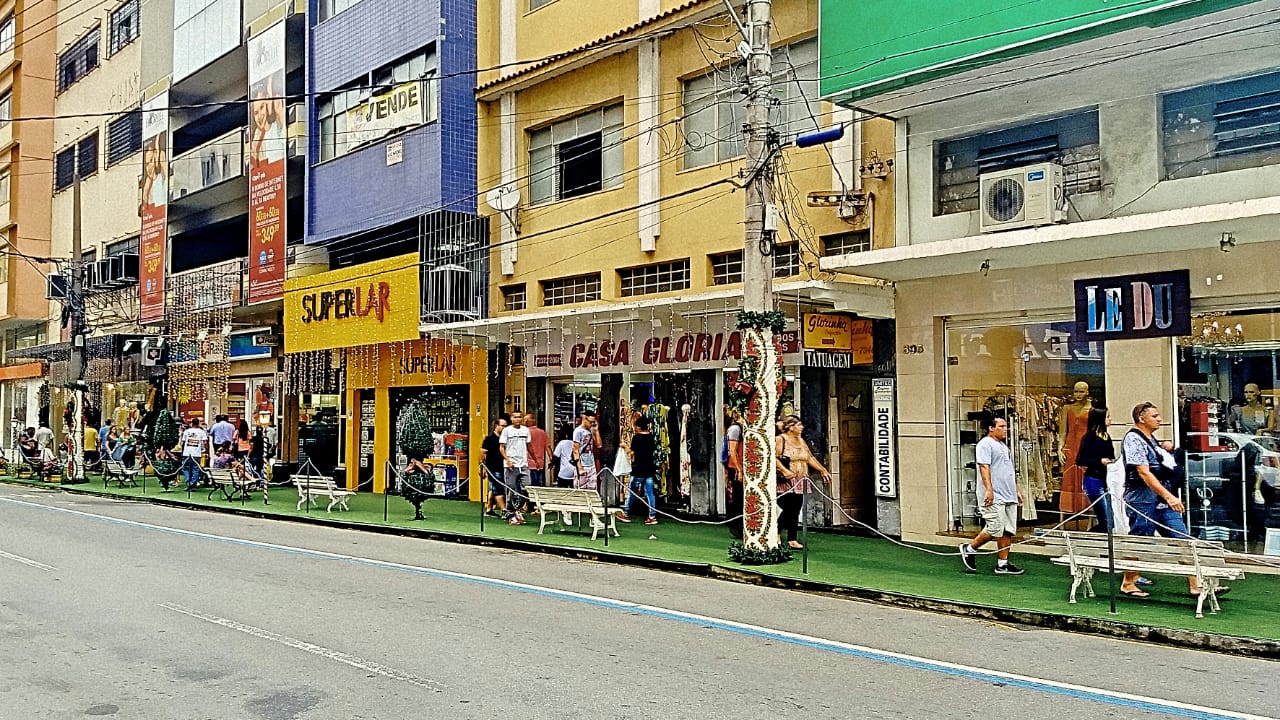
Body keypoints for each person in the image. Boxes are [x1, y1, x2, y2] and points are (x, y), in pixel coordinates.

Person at [1121, 402, 1223, 598]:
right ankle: (1128, 581)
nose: (1159, 419)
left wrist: (1166, 450)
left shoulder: (1151, 439)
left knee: (1182, 538)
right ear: (1142, 418)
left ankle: (1196, 584)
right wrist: (1169, 496)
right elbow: (1143, 472)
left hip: (1163, 499)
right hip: (1142, 499)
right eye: (1155, 416)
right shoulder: (1133, 439)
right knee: (1140, 539)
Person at [959, 416, 1025, 575]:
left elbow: (1008, 470)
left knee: (1008, 529)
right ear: (991, 428)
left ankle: (1002, 564)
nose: (1005, 429)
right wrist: (989, 489)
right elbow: (984, 467)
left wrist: (1016, 490)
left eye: (1005, 426)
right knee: (995, 527)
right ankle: (969, 548)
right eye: (1001, 426)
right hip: (995, 495)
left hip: (1008, 494)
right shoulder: (985, 444)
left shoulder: (1003, 446)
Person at [774, 415, 832, 551]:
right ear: (790, 427)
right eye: (798, 425)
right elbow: (774, 458)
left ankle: (792, 539)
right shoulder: (780, 439)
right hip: (787, 479)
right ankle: (776, 532)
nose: (801, 428)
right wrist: (784, 471)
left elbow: (809, 457)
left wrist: (822, 470)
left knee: (796, 508)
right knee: (787, 507)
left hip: (801, 477)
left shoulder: (801, 440)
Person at [1075, 407, 1116, 533]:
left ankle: (1098, 541)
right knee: (1106, 520)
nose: (1110, 420)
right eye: (1107, 417)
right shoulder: (1089, 437)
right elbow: (1080, 460)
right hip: (1093, 480)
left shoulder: (1106, 436)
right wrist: (1099, 461)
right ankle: (1089, 538)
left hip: (1106, 479)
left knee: (1109, 520)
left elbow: (1111, 455)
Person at [616, 416, 659, 525]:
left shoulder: (637, 438)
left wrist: (625, 446)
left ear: (639, 427)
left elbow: (631, 453)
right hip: (649, 468)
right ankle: (652, 516)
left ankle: (626, 513)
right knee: (650, 493)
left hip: (638, 469)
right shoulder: (651, 437)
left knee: (632, 492)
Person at [500, 412, 531, 524]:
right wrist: (507, 460)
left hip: (523, 464)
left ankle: (517, 509)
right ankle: (510, 514)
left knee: (527, 488)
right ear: (511, 419)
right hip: (511, 465)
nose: (518, 419)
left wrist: (535, 460)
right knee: (511, 489)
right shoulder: (507, 431)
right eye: (515, 417)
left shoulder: (526, 430)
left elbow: (529, 446)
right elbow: (502, 447)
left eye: (520, 417)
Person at [480, 417, 508, 517]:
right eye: (503, 426)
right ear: (497, 426)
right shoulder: (489, 439)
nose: (505, 428)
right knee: (498, 488)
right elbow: (482, 454)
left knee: (493, 488)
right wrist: (481, 468)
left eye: (506, 426)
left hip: (502, 466)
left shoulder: (505, 439)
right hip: (492, 467)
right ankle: (504, 510)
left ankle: (489, 508)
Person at [725, 409, 745, 540]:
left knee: (742, 498)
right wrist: (739, 469)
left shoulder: (744, 428)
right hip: (736, 467)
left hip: (743, 466)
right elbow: (732, 450)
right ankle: (737, 526)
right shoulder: (735, 429)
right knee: (738, 498)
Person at [180, 417, 209, 490]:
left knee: (186, 468)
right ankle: (193, 483)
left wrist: (182, 450)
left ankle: (188, 482)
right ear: (198, 423)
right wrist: (206, 450)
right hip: (196, 453)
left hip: (186, 453)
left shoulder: (187, 431)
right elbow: (205, 442)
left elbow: (182, 443)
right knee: (195, 469)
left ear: (191, 423)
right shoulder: (201, 432)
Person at [572, 410, 598, 490]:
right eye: (590, 422)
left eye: (593, 422)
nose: (592, 424)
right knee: (581, 489)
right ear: (584, 419)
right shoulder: (578, 431)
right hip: (582, 464)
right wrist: (580, 468)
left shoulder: (591, 430)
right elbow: (575, 450)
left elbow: (598, 444)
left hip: (591, 463)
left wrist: (596, 430)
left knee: (592, 488)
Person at [524, 413, 550, 488]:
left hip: (528, 462)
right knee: (538, 484)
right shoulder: (543, 433)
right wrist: (551, 459)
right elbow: (548, 447)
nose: (524, 422)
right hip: (540, 463)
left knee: (530, 484)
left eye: (526, 420)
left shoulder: (525, 432)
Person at [552, 424, 576, 488]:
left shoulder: (562, 443)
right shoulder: (576, 444)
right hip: (574, 472)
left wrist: (552, 464)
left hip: (564, 473)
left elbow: (555, 456)